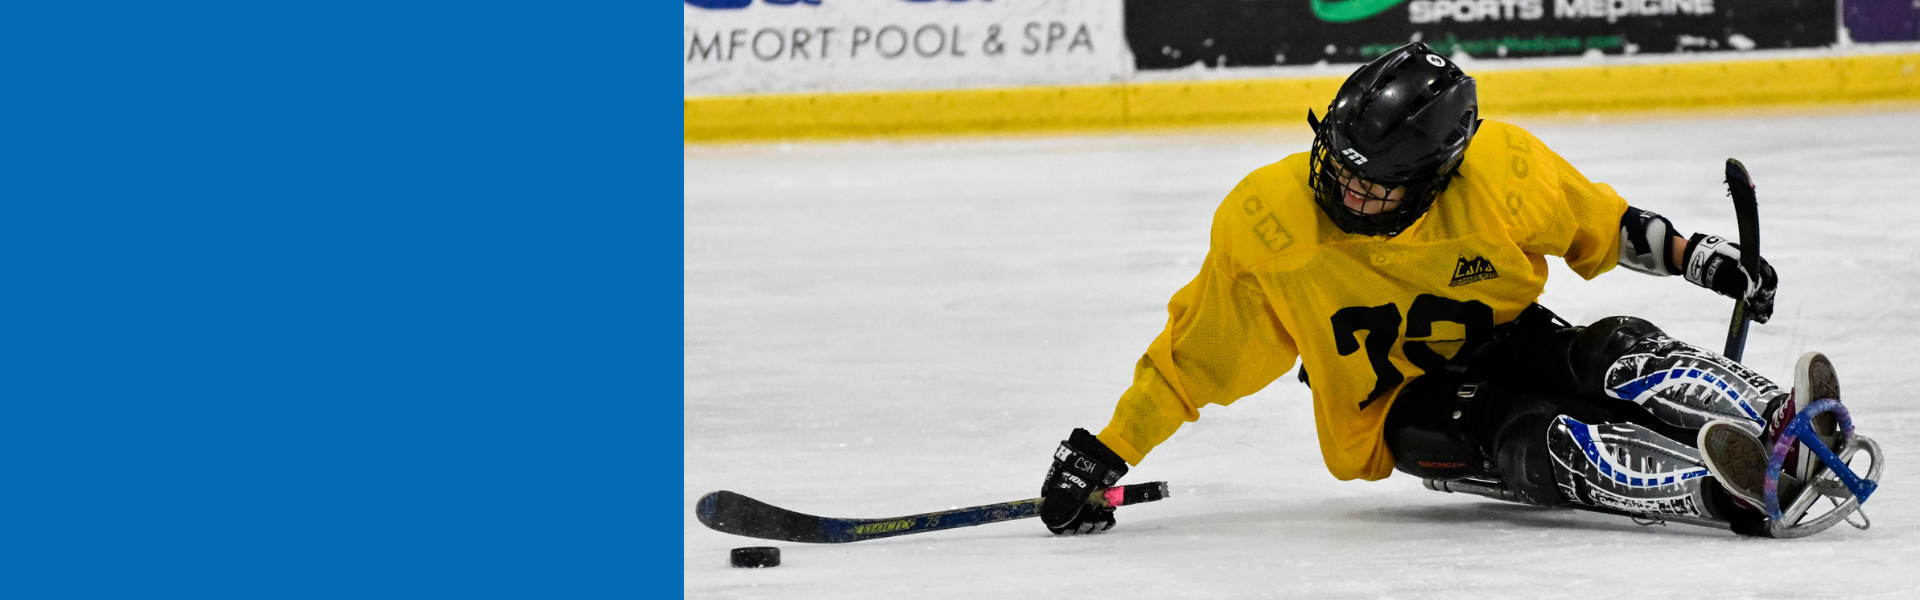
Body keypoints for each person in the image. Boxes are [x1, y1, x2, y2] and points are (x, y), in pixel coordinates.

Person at [1036, 42, 1843, 538]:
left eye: (1375, 190)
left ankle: (1779, 419)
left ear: (1435, 177)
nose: (1345, 197)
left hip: (1499, 331)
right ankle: (1715, 493)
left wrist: (1702, 257)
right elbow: (1196, 357)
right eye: (1340, 169)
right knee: (1535, 433)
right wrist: (1105, 453)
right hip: (1396, 405)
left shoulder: (1502, 171)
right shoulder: (1268, 223)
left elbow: (1606, 224)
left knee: (1611, 347)